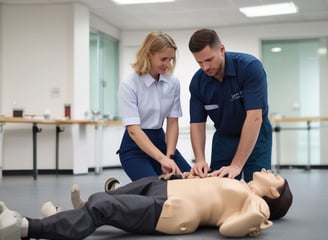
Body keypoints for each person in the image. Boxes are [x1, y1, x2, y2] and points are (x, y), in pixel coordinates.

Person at [0, 169, 293, 240]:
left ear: (274, 194)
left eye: (275, 176)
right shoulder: (239, 180)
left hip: (174, 209)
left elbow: (228, 229)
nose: (269, 170)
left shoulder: (258, 205)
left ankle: (25, 227)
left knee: (103, 206)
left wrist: (254, 218)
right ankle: (72, 215)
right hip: (167, 187)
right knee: (122, 190)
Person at [188, 28, 272, 182]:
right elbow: (197, 124)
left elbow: (255, 118)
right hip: (224, 138)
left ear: (221, 50)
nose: (205, 67)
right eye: (199, 62)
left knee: (258, 187)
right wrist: (199, 159)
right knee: (220, 187)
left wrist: (236, 165)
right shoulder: (198, 83)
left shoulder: (250, 68)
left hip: (256, 135)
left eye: (209, 60)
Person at [118, 31, 191, 181]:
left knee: (190, 179)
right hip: (135, 146)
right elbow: (133, 130)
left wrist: (169, 156)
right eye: (163, 59)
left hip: (161, 141)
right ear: (149, 54)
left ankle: (126, 192)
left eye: (171, 59)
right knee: (156, 189)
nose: (168, 64)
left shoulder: (173, 83)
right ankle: (116, 194)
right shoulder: (129, 84)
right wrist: (162, 159)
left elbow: (172, 122)